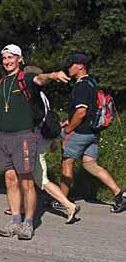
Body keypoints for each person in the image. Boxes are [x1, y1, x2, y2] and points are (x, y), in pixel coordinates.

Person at [0, 44, 70, 240]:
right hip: (4, 138)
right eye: (5, 58)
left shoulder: (27, 78)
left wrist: (54, 74)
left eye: (11, 57)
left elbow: (41, 78)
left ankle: (28, 223)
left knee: (27, 182)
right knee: (10, 180)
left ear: (20, 59)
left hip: (24, 136)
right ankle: (15, 221)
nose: (7, 61)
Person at [4, 66, 81, 224]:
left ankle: (68, 205)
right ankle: (20, 207)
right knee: (25, 174)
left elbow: (33, 120)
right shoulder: (43, 96)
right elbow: (48, 120)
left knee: (39, 179)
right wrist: (52, 141)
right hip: (43, 139)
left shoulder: (33, 97)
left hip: (34, 140)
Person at [58, 53, 126, 213]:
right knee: (90, 165)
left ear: (80, 66)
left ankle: (61, 201)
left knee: (66, 163)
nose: (68, 68)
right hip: (93, 132)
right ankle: (119, 194)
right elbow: (89, 110)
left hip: (80, 133)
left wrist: (68, 129)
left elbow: (81, 112)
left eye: (71, 64)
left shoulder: (81, 85)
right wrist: (69, 119)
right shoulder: (92, 82)